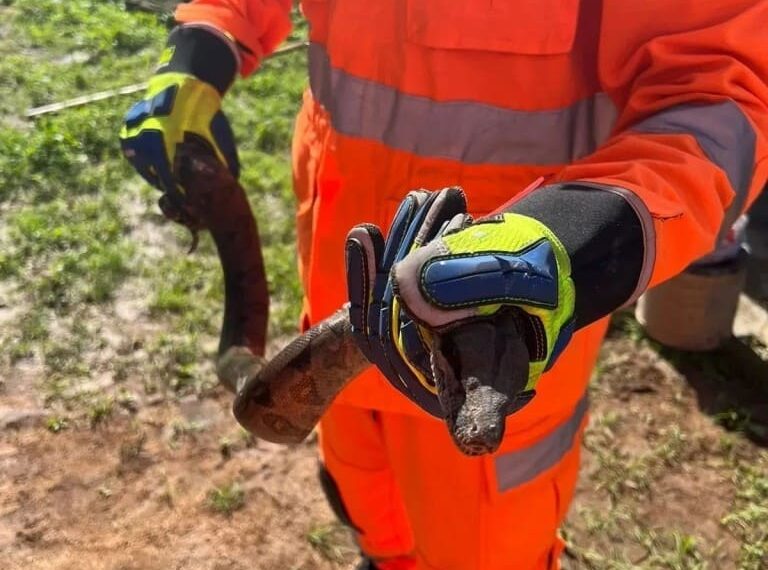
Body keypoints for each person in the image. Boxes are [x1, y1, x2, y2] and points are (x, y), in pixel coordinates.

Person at [119, 1, 768, 568]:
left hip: (492, 341)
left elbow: (720, 98)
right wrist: (205, 42)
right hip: (335, 321)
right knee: (367, 513)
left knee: (486, 555)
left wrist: (583, 236)